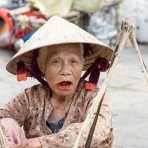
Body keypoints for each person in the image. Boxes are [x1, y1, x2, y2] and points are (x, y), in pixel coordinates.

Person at [0, 16, 113, 148]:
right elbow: (3, 115)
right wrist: (9, 131)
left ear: (82, 64)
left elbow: (98, 132)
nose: (66, 71)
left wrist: (41, 143)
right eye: (55, 62)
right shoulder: (30, 98)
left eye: (73, 61)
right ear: (42, 67)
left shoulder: (94, 98)